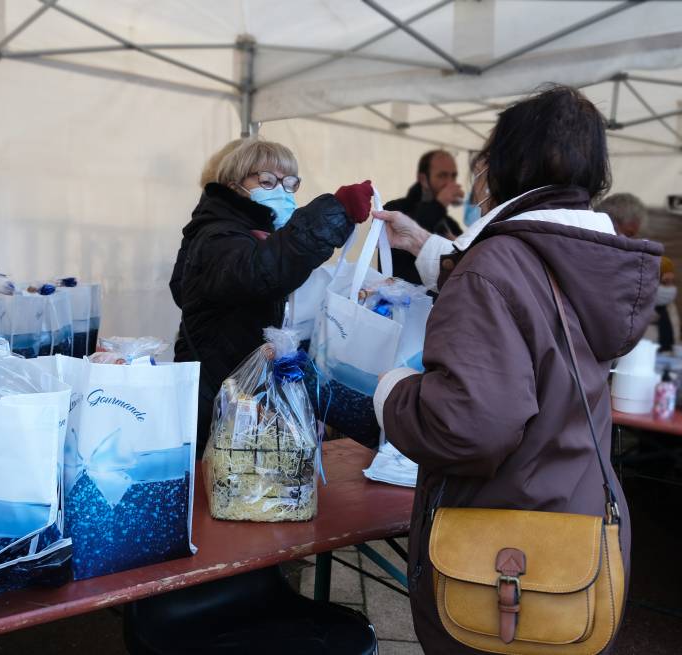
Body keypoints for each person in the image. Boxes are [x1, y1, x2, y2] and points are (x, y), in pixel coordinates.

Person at [371, 85, 661, 653]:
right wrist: (430, 247)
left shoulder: (496, 264)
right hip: (576, 527)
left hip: (500, 550)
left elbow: (469, 425)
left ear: (503, 162)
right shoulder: (590, 257)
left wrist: (393, 392)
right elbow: (526, 297)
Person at [170, 137, 374, 451]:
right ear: (233, 184)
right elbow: (263, 271)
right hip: (217, 396)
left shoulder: (255, 232)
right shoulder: (218, 236)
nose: (280, 191)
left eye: (289, 183)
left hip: (242, 393)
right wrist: (333, 212)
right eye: (266, 181)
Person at [384, 150, 464, 284]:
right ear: (423, 179)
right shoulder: (395, 208)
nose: (450, 183)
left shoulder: (450, 223)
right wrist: (439, 204)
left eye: (453, 176)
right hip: (398, 300)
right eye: (442, 176)